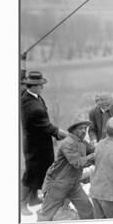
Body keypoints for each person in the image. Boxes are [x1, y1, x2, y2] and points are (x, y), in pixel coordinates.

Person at [20, 71, 68, 215]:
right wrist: (65, 134)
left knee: (40, 171)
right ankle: (21, 204)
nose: (43, 87)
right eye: (41, 85)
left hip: (38, 143)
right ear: (34, 86)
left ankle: (33, 199)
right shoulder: (32, 106)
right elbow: (47, 127)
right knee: (31, 174)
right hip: (36, 147)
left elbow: (44, 125)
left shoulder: (33, 97)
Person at [37, 115, 95, 221]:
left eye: (85, 129)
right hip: (57, 184)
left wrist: (102, 146)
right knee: (46, 215)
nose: (83, 131)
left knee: (87, 210)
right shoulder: (67, 143)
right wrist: (93, 156)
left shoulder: (82, 142)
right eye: (80, 128)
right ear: (73, 130)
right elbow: (77, 162)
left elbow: (93, 149)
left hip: (73, 184)